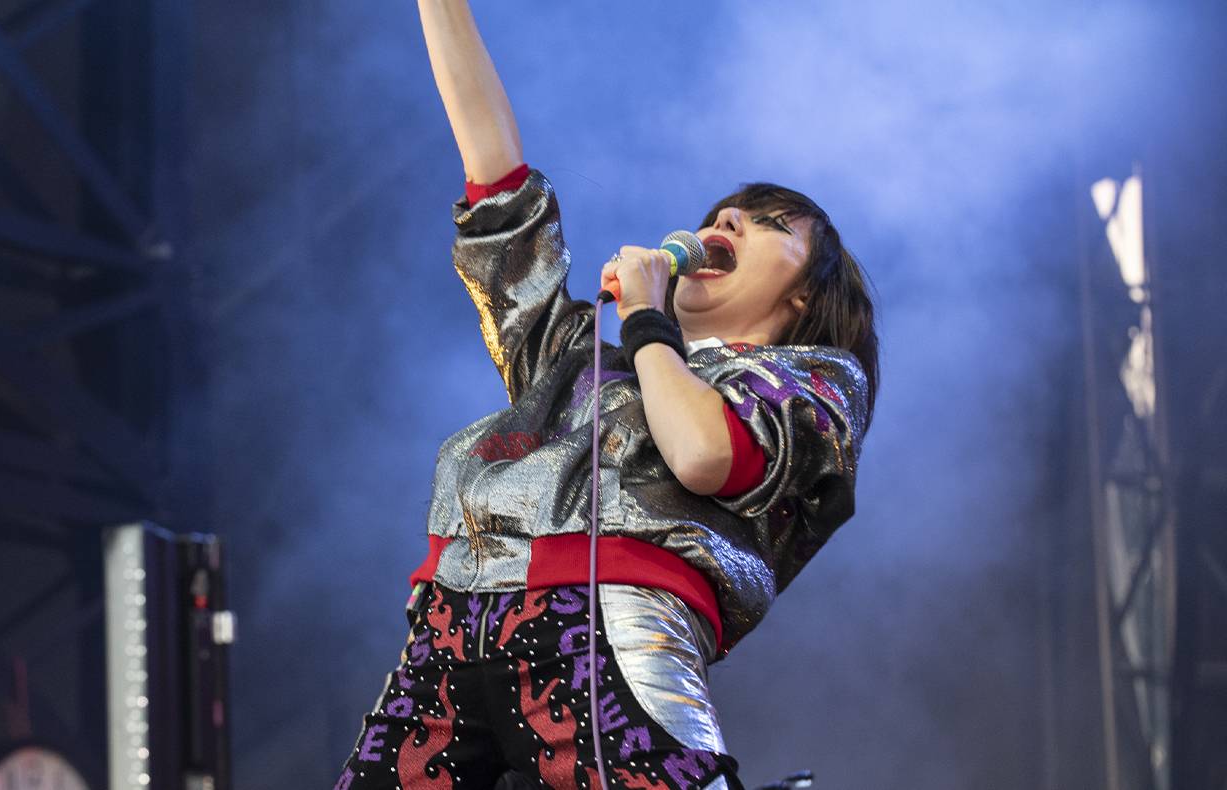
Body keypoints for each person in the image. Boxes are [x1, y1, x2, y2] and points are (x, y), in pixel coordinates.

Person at [333, 3, 878, 788]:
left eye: (769, 223)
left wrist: (649, 317)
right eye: (725, 212)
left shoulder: (812, 383)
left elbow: (703, 453)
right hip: (450, 621)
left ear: (802, 298)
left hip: (606, 620)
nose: (729, 217)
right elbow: (497, 182)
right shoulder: (585, 358)